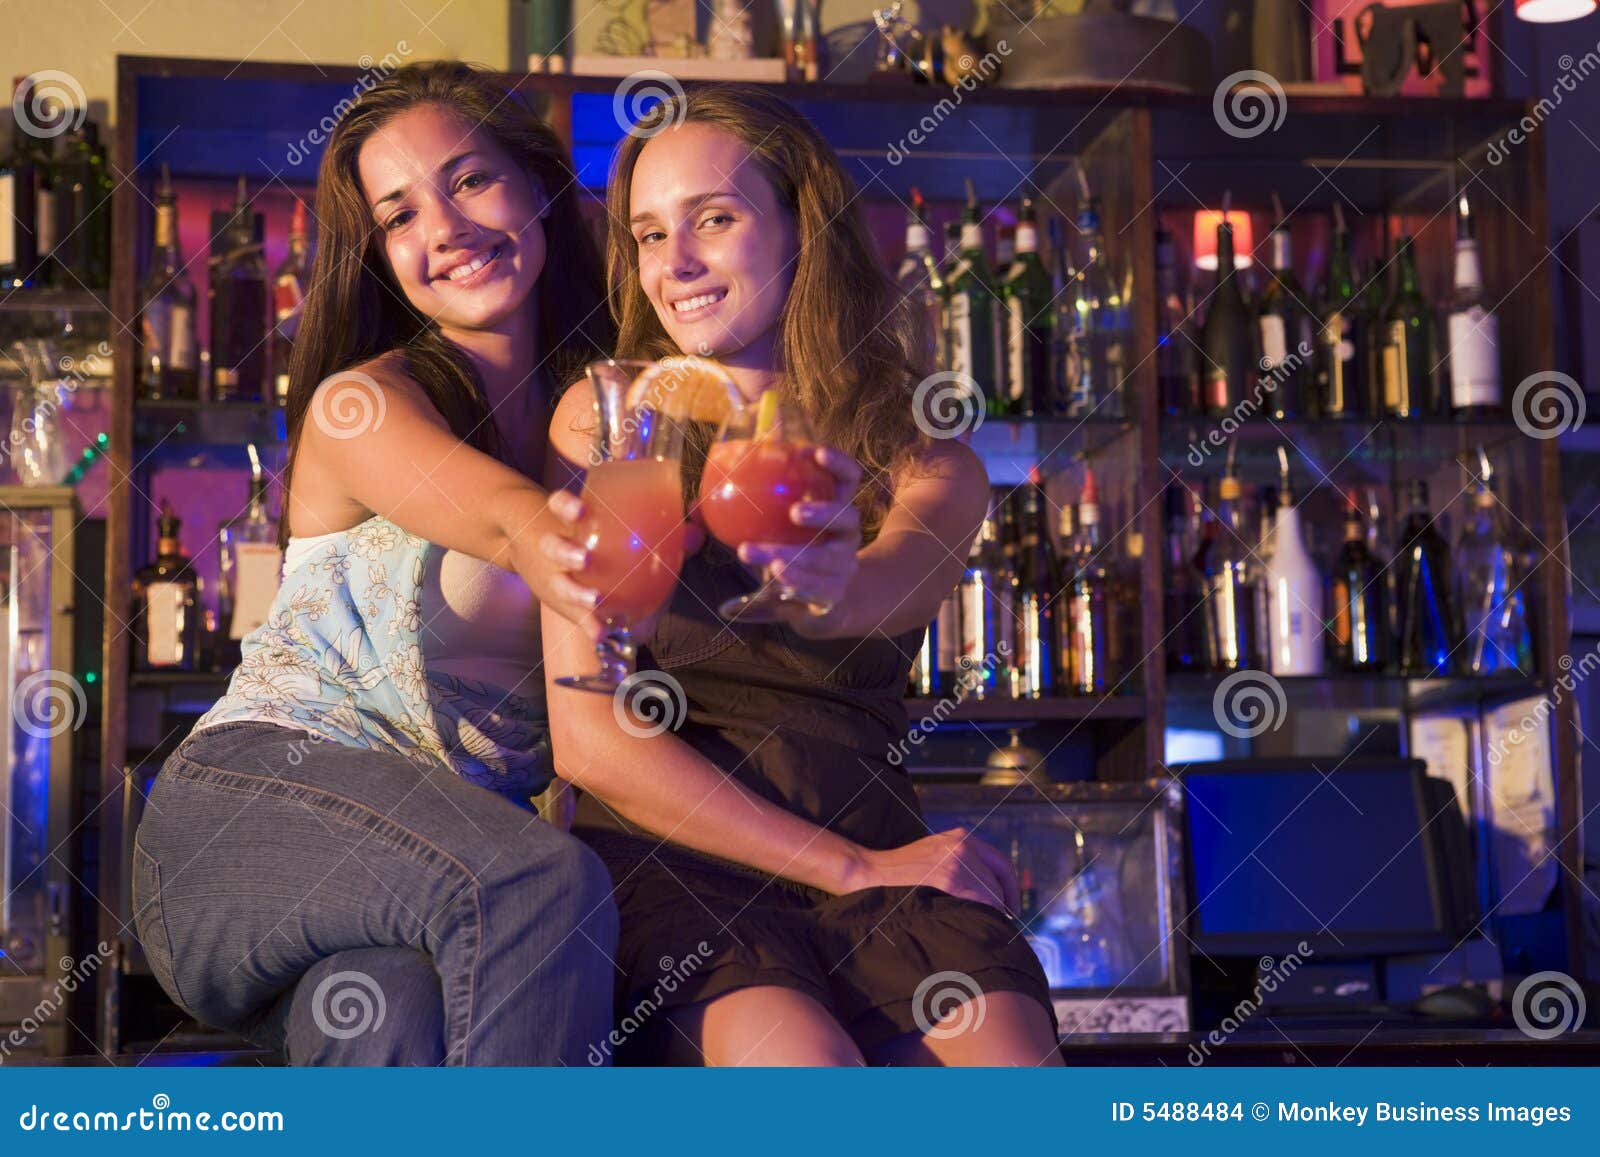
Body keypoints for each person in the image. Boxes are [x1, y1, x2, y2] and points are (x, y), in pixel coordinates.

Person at [542, 86, 1063, 1066]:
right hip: (677, 861)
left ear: (802, 227)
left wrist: (828, 583)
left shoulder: (922, 457)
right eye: (649, 235)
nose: (676, 263)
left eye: (715, 218)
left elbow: (887, 586)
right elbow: (589, 738)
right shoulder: (608, 423)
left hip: (878, 850)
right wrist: (851, 864)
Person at [132, 62, 620, 1066]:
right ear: (381, 258)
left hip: (406, 877)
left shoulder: (595, 412)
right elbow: (512, 520)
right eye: (399, 215)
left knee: (391, 1013)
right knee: (542, 885)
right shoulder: (362, 407)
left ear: (539, 186)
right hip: (240, 820)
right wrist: (567, 535)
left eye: (472, 179)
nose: (441, 225)